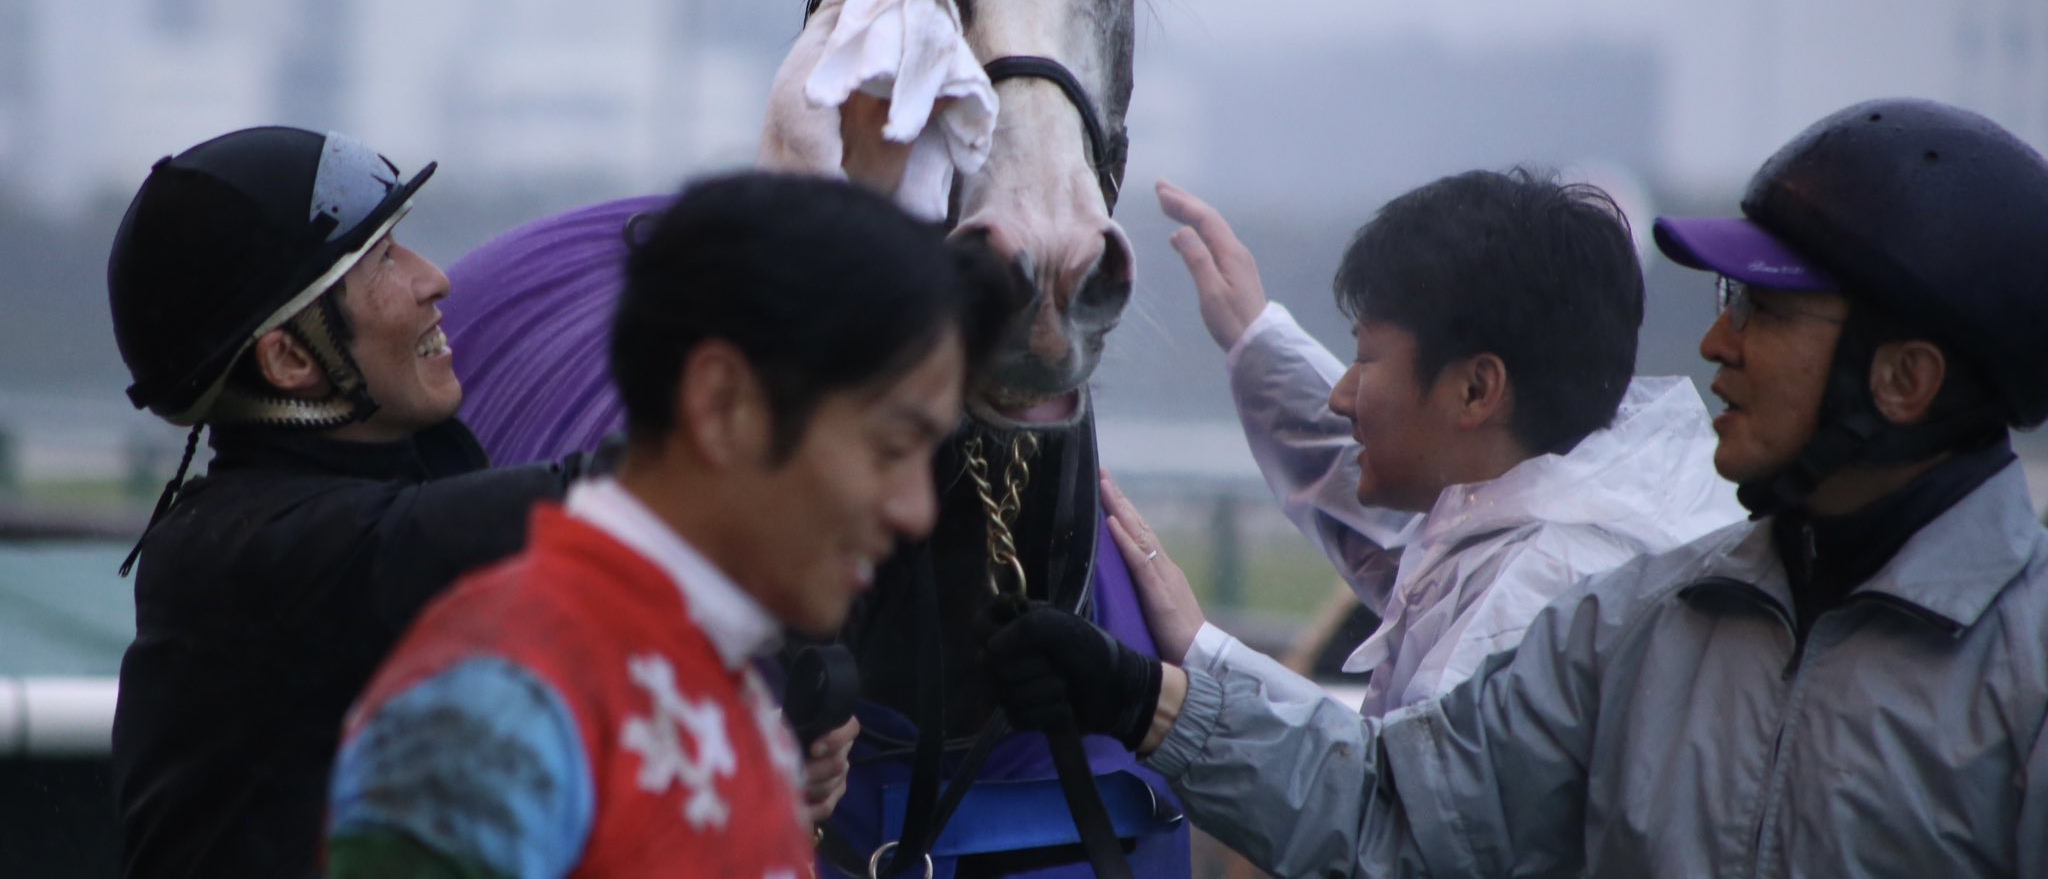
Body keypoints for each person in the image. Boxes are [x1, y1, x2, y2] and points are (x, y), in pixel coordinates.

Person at [985, 98, 2048, 876]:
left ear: (1903, 379)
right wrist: (1146, 700)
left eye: (1763, 313)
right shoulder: (1636, 621)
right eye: (1726, 302)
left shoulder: (2024, 677)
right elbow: (1395, 816)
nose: (1716, 343)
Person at [103, 127, 855, 877]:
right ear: (292, 359)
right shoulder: (256, 553)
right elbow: (632, 498)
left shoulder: (388, 491)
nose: (435, 280)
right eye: (384, 261)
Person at [326, 172, 1012, 877]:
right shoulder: (496, 700)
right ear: (721, 404)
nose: (916, 509)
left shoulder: (716, 686)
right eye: (890, 447)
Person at [1111, 171, 1739, 716]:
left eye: (1365, 359)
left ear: (1475, 389)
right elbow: (1395, 526)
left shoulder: (1530, 608)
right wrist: (1256, 341)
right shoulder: (1580, 511)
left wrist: (1198, 663)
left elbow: (1390, 813)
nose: (1340, 395)